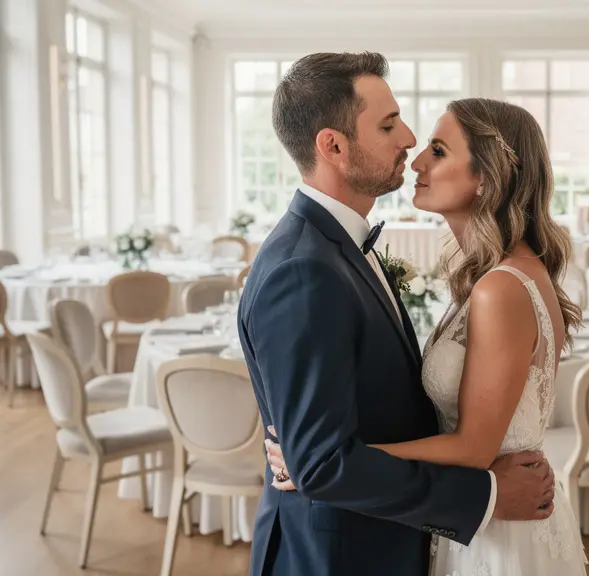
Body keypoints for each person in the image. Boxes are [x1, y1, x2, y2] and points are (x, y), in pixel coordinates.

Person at [236, 52, 558, 576]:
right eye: (389, 124)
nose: (408, 140)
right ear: (333, 146)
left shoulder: (341, 247)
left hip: (397, 538)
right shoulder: (304, 269)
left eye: (431, 143)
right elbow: (322, 465)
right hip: (337, 556)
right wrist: (487, 494)